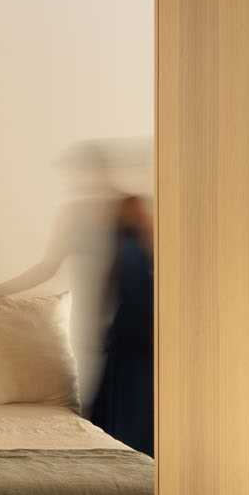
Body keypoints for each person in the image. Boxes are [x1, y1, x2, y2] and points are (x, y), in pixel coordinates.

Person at [89, 195, 154, 457]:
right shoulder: (121, 240)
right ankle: (118, 442)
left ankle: (138, 445)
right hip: (127, 323)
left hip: (143, 323)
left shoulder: (147, 240)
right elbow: (111, 282)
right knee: (123, 384)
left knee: (138, 387)